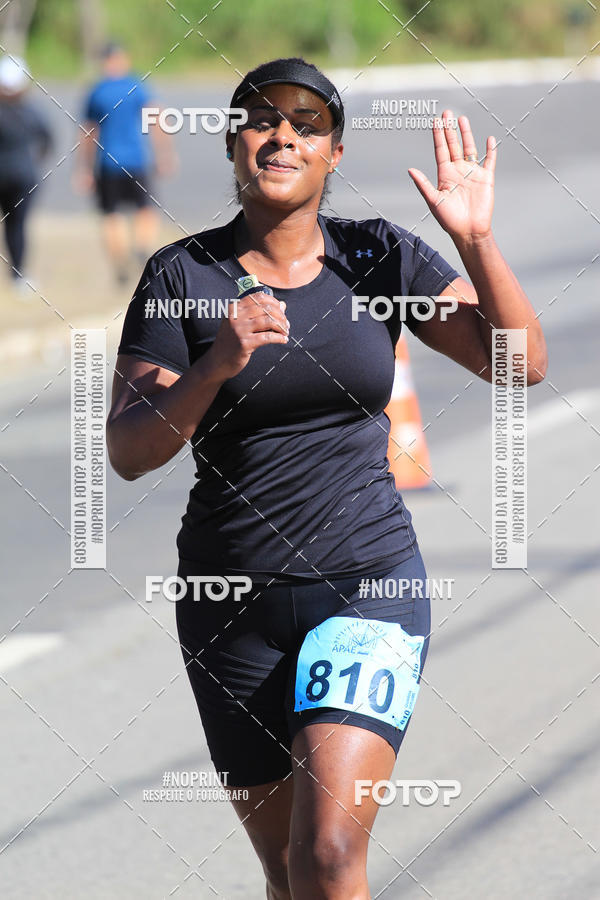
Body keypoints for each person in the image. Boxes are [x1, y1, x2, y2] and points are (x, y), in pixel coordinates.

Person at [107, 57, 547, 899]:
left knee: (330, 854)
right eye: (262, 119)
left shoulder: (378, 255)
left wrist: (477, 242)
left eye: (306, 124)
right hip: (228, 606)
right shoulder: (180, 275)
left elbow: (518, 363)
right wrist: (215, 365)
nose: (283, 136)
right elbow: (130, 451)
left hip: (367, 583)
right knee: (287, 873)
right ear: (233, 143)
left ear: (333, 154)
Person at [74, 41, 176, 284]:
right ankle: (142, 247)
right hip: (136, 160)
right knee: (146, 209)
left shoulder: (97, 91)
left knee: (111, 214)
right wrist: (165, 154)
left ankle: (120, 261)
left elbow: (88, 132)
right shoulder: (137, 86)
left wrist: (84, 169)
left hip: (107, 163)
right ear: (122, 59)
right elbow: (158, 119)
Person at [0, 54, 52, 293]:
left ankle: (18, 273)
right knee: (17, 225)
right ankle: (18, 274)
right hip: (23, 177)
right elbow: (47, 141)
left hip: (17, 177)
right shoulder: (31, 111)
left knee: (16, 225)